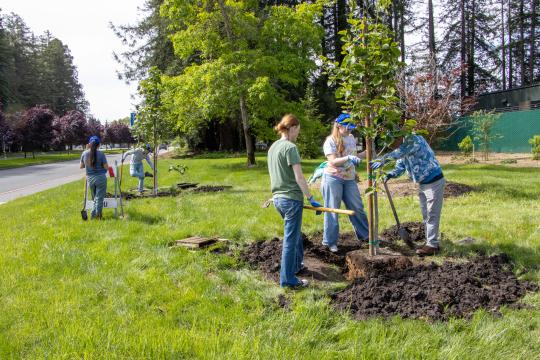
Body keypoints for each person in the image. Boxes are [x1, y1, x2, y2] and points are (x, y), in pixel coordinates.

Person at [267, 114, 322, 289]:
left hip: (278, 199)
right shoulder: (290, 147)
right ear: (292, 128)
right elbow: (299, 177)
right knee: (290, 240)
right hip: (291, 200)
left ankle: (296, 266)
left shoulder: (273, 147)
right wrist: (311, 198)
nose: (298, 134)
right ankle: (288, 280)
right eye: (298, 130)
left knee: (296, 234)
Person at [371, 134, 445, 256]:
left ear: (398, 136)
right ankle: (430, 242)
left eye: (393, 144)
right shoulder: (401, 148)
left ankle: (432, 246)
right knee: (426, 214)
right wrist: (390, 174)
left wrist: (383, 159)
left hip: (434, 182)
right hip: (422, 183)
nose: (393, 147)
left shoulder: (414, 139)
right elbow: (400, 167)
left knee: (432, 214)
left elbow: (400, 152)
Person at [321, 113, 369, 252]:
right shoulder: (330, 141)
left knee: (357, 207)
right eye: (347, 128)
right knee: (332, 209)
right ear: (339, 125)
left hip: (349, 179)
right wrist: (348, 158)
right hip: (333, 178)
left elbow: (353, 157)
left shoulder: (351, 138)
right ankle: (330, 242)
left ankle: (365, 235)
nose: (350, 130)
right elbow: (333, 161)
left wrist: (364, 154)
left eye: (351, 128)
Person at [80, 135, 108, 219]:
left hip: (90, 179)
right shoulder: (101, 154)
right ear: (99, 145)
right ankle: (94, 215)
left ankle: (99, 215)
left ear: (89, 144)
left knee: (95, 198)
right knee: (99, 198)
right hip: (101, 178)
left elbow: (81, 166)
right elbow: (106, 167)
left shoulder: (84, 153)